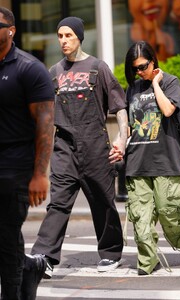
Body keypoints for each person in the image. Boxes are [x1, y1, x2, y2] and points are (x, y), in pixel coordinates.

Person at [29, 16, 128, 280]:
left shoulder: (98, 68)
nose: (63, 41)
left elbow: (119, 106)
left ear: (79, 37)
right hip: (64, 147)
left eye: (68, 35)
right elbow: (45, 116)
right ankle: (44, 257)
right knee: (58, 203)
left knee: (102, 200)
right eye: (60, 36)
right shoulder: (54, 73)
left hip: (96, 144)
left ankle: (111, 252)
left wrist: (121, 139)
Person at [124, 40, 180, 276]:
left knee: (171, 211)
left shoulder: (170, 81)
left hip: (166, 160)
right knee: (141, 217)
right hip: (137, 161)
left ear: (153, 61)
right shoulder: (133, 89)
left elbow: (168, 110)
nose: (140, 72)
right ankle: (147, 262)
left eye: (143, 66)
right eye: (135, 69)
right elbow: (131, 125)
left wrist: (156, 83)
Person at [0, 7, 54, 300]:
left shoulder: (29, 68)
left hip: (16, 167)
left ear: (11, 30)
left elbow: (46, 123)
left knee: (7, 237)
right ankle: (30, 268)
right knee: (4, 237)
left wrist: (39, 174)